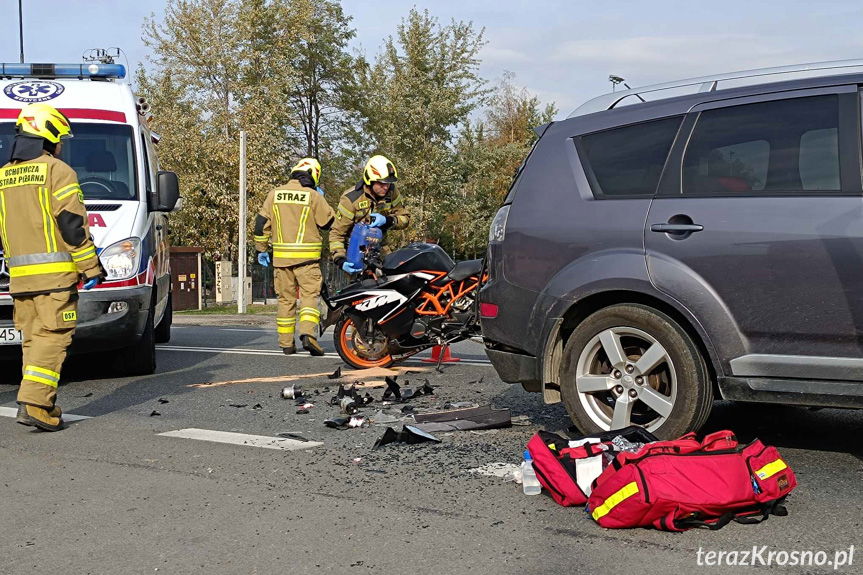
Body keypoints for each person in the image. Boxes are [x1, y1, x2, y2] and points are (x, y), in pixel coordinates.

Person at [0, 103, 105, 432]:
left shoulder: (3, 176)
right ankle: (35, 403)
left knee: (33, 340)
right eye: (59, 139)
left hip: (19, 279)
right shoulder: (58, 171)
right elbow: (72, 225)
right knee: (54, 336)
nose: (60, 146)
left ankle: (36, 402)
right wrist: (91, 267)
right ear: (48, 137)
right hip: (55, 277)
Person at [254, 158, 335, 356]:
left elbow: (261, 224)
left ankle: (286, 344)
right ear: (313, 176)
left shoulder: (274, 194)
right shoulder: (312, 196)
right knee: (309, 297)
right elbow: (328, 223)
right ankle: (308, 334)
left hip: (281, 261)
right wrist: (321, 199)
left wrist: (261, 249)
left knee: (285, 300)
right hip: (307, 261)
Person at [330, 155, 409, 273]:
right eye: (382, 183)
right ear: (370, 180)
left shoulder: (392, 192)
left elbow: (405, 219)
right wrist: (340, 259)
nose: (386, 187)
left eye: (388, 183)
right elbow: (337, 233)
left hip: (381, 251)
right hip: (356, 254)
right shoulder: (351, 199)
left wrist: (388, 221)